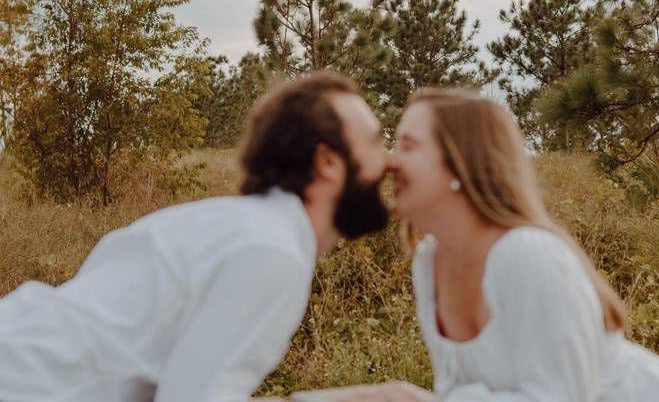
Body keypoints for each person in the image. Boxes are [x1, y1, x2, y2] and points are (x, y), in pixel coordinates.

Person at [0, 71, 391, 402]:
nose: (387, 159)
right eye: (375, 141)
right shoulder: (272, 252)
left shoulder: (230, 224)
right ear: (327, 163)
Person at [347, 88, 659, 402]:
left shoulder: (527, 254)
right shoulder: (429, 262)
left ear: (459, 163)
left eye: (407, 145)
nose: (389, 161)